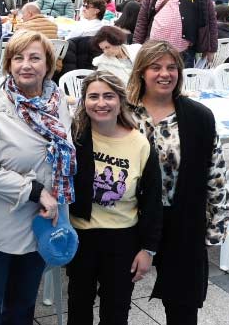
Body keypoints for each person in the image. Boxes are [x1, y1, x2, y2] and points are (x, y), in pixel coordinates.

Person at [0, 30, 73, 322]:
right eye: (18, 58)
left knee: (22, 306)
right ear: (8, 64)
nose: (26, 65)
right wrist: (37, 191)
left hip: (40, 223)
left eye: (35, 58)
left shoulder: (57, 101)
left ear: (48, 64)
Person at [127, 41, 229, 324]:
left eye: (172, 67)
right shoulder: (125, 112)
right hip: (131, 218)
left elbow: (215, 171)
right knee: (117, 295)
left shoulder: (198, 116)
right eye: (156, 67)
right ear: (141, 72)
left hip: (181, 217)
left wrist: (215, 225)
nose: (165, 74)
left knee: (182, 303)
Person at [68, 72, 161, 325]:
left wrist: (148, 249)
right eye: (93, 96)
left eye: (108, 96)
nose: (101, 103)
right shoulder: (74, 138)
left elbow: (153, 200)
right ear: (84, 102)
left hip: (122, 238)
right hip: (81, 236)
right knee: (78, 305)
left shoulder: (139, 144)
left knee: (116, 310)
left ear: (120, 101)